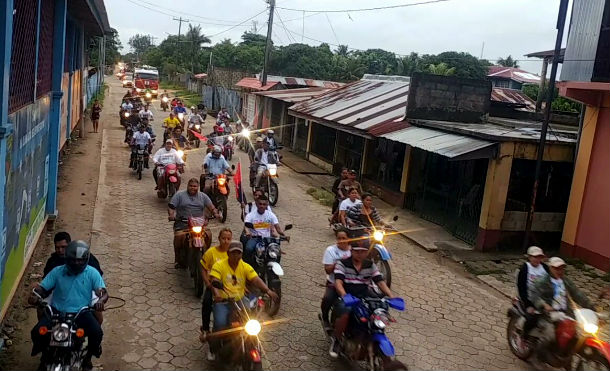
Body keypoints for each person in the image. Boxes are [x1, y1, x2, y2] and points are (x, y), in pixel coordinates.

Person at [29, 241, 108, 371]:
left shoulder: (92, 273)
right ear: (67, 259)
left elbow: (103, 292)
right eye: (73, 260)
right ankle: (44, 354)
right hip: (56, 312)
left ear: (86, 259)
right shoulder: (57, 271)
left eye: (80, 261)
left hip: (81, 313)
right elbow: (42, 288)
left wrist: (101, 300)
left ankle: (88, 357)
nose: (77, 263)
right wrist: (35, 295)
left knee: (96, 332)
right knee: (37, 332)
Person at [208, 241, 278, 360]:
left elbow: (256, 279)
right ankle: (213, 349)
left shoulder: (245, 266)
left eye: (238, 253)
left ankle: (252, 343)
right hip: (223, 301)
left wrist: (268, 291)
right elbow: (214, 280)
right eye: (233, 253)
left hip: (239, 300)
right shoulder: (219, 265)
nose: (236, 256)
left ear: (242, 254)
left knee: (252, 321)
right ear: (228, 253)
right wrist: (217, 293)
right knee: (220, 324)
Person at [330, 239, 394, 358]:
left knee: (379, 310)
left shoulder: (370, 265)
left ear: (367, 252)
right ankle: (337, 340)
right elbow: (338, 283)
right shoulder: (342, 263)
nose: (360, 254)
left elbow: (380, 282)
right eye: (357, 251)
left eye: (363, 251)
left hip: (365, 296)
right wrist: (345, 295)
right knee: (345, 313)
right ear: (351, 251)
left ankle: (370, 336)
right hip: (347, 296)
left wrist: (391, 296)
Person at [531, 257, 594, 358]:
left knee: (574, 336)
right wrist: (543, 304)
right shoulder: (543, 281)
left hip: (565, 313)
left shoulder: (566, 281)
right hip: (547, 314)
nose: (560, 271)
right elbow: (533, 293)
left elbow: (578, 294)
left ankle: (565, 357)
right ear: (550, 268)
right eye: (557, 268)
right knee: (549, 336)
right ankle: (540, 358)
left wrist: (591, 307)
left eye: (562, 268)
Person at [168, 178, 220, 268]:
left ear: (198, 187)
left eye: (195, 186)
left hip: (199, 224)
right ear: (187, 186)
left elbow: (211, 207)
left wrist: (215, 213)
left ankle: (206, 255)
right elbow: (171, 206)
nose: (193, 188)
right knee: (178, 238)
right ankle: (178, 259)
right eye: (191, 186)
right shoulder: (179, 195)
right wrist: (171, 214)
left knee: (209, 235)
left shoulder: (203, 196)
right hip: (183, 223)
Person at [199, 228, 232, 344]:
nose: (226, 241)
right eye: (223, 238)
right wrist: (207, 283)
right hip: (213, 286)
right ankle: (206, 329)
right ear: (219, 239)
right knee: (207, 302)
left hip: (229, 287)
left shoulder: (233, 254)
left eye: (228, 239)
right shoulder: (211, 252)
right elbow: (203, 269)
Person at [320, 228, 351, 330]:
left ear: (349, 239)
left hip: (350, 284)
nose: (341, 240)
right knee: (328, 299)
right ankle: (324, 317)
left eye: (344, 238)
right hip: (333, 283)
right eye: (339, 238)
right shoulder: (331, 250)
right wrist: (338, 263)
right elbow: (328, 270)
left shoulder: (354, 251)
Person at [516, 246, 549, 339]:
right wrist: (528, 305)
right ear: (529, 257)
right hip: (530, 299)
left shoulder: (545, 268)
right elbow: (521, 288)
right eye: (535, 257)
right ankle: (524, 337)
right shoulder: (525, 268)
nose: (537, 259)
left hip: (544, 299)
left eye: (539, 257)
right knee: (532, 317)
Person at [243, 196, 287, 264]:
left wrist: (284, 235)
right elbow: (246, 224)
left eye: (264, 204)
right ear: (257, 204)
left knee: (277, 250)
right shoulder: (251, 215)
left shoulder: (271, 215)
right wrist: (248, 232)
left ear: (267, 205)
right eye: (260, 204)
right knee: (248, 249)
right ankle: (248, 267)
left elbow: (278, 228)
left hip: (268, 239)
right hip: (255, 238)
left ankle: (276, 264)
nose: (262, 206)